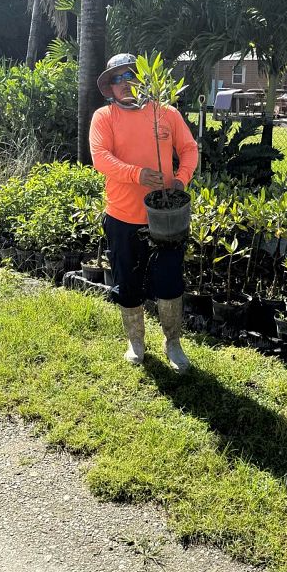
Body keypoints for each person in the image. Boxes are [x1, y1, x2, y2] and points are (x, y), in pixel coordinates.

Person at [89, 53, 198, 372]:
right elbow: (100, 158)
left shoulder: (166, 113)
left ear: (144, 79)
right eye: (117, 79)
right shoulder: (104, 117)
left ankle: (173, 342)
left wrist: (181, 179)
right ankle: (136, 342)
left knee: (169, 281)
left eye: (130, 76)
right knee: (128, 282)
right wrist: (136, 174)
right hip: (122, 216)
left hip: (166, 219)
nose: (124, 84)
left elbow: (189, 149)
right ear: (110, 87)